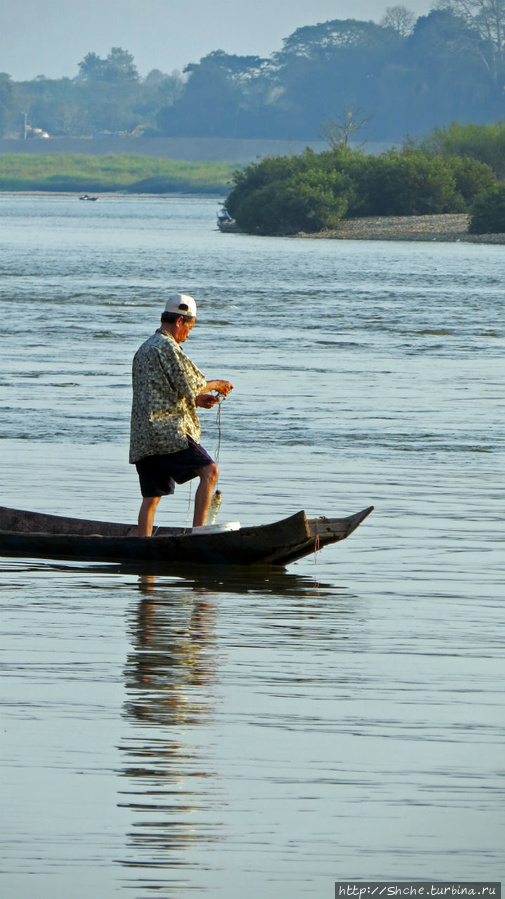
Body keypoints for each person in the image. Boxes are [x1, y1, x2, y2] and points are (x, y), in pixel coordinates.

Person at [129, 293, 233, 536]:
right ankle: (199, 534)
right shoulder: (167, 346)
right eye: (189, 327)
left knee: (151, 498)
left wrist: (196, 401)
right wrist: (216, 384)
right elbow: (191, 381)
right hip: (167, 432)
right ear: (179, 322)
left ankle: (144, 551)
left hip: (144, 437)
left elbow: (163, 390)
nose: (188, 334)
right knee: (210, 471)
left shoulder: (144, 348)